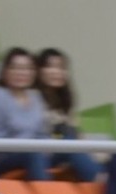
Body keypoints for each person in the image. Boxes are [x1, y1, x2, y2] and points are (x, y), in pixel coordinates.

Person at [0, 47, 52, 182]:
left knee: (72, 149)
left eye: (27, 68)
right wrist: (23, 145)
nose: (21, 73)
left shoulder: (36, 97)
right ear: (5, 72)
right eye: (15, 68)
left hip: (35, 151)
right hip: (4, 156)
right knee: (34, 154)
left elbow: (42, 133)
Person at [34, 48, 100, 182]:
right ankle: (97, 179)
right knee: (71, 144)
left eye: (61, 68)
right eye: (50, 67)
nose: (57, 72)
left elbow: (76, 132)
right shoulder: (32, 98)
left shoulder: (64, 102)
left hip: (60, 150)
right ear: (39, 70)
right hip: (40, 154)